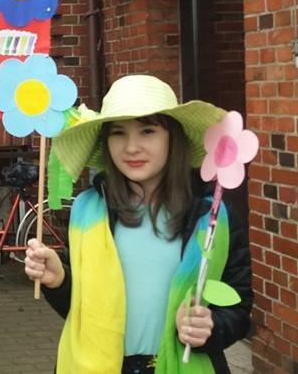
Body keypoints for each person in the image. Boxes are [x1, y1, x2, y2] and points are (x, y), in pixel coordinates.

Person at [24, 75, 252, 374]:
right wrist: (60, 281)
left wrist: (212, 327)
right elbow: (85, 315)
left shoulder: (211, 217)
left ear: (173, 137)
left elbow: (238, 307)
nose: (131, 147)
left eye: (147, 131)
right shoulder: (89, 212)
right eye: (118, 133)